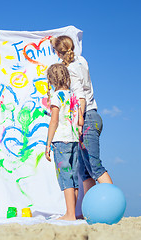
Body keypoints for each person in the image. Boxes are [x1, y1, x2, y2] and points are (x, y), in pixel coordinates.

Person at [50, 36, 113, 196]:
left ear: (58, 53)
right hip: (93, 117)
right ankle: (89, 210)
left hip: (86, 118)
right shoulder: (82, 61)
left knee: (95, 166)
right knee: (84, 170)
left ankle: (113, 202)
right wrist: (55, 43)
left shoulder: (70, 69)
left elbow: (80, 98)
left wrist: (79, 121)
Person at [45, 63, 83, 221]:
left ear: (51, 80)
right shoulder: (73, 95)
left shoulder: (56, 96)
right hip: (74, 140)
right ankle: (72, 213)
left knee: (65, 177)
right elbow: (80, 119)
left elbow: (54, 121)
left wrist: (48, 144)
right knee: (73, 177)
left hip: (61, 140)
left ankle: (69, 214)